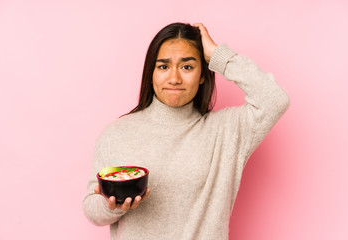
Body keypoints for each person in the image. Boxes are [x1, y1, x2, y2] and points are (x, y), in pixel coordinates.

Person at [82, 22, 289, 240]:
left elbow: (274, 99)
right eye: (163, 67)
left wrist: (218, 56)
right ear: (150, 73)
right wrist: (113, 205)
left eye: (187, 67)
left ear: (202, 74)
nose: (174, 78)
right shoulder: (117, 134)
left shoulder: (226, 131)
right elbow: (91, 208)